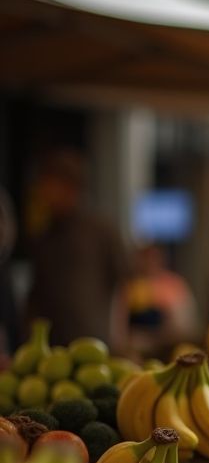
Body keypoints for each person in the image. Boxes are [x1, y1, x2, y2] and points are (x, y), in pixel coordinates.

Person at [25, 148, 132, 348]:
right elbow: (36, 297)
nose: (43, 190)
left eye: (49, 183)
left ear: (70, 186)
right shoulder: (42, 238)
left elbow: (123, 285)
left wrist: (120, 337)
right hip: (53, 350)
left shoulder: (102, 230)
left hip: (97, 345)